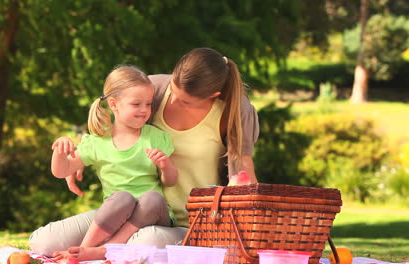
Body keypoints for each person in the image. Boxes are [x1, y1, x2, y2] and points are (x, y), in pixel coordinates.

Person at [29, 47, 259, 258]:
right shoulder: (154, 90)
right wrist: (76, 157)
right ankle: (97, 250)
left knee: (145, 240)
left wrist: (250, 225)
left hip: (185, 223)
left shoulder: (235, 112)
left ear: (213, 96)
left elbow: (243, 172)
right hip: (126, 207)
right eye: (173, 90)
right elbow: (115, 111)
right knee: (44, 242)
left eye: (185, 101)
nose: (174, 100)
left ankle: (97, 252)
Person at [47, 65, 178, 261]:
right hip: (117, 216)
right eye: (136, 104)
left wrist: (165, 165)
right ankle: (82, 252)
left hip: (152, 214)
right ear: (114, 104)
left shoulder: (157, 138)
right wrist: (60, 151)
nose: (144, 110)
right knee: (121, 198)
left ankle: (105, 249)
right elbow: (61, 171)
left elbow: (171, 181)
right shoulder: (98, 142)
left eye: (148, 104)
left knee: (152, 198)